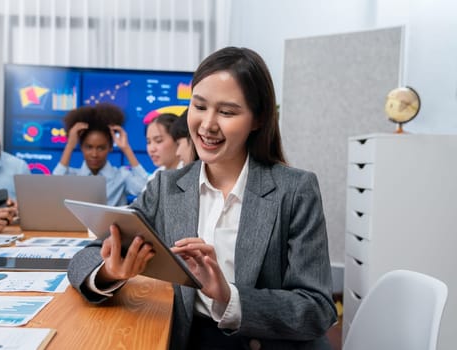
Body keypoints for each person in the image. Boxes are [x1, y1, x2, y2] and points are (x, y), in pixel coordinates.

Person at [67, 47, 337, 349]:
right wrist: (110, 272)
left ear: (258, 119)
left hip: (265, 341)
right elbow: (85, 258)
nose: (207, 124)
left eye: (227, 112)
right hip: (192, 339)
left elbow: (317, 308)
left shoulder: (295, 189)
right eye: (199, 106)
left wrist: (228, 295)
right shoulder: (167, 187)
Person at [53, 103, 149, 206]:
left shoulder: (121, 176)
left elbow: (145, 188)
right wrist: (70, 145)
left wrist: (126, 148)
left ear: (110, 147)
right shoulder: (72, 176)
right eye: (89, 147)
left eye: (101, 148)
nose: (94, 154)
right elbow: (54, 186)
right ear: (81, 147)